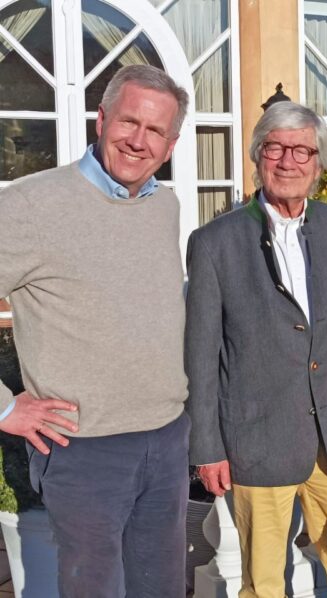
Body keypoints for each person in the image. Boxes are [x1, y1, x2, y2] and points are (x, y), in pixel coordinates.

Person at [0, 64, 190, 597]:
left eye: (155, 130)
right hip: (84, 451)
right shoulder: (30, 205)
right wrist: (5, 408)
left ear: (170, 145)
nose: (138, 141)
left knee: (163, 589)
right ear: (101, 119)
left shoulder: (164, 205)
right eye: (129, 121)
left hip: (166, 440)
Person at [184, 101, 327, 598]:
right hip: (256, 437)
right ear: (257, 156)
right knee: (263, 583)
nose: (288, 161)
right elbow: (201, 352)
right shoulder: (214, 242)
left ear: (319, 163)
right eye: (275, 148)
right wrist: (206, 446)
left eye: (301, 151)